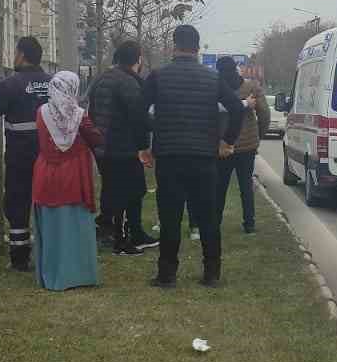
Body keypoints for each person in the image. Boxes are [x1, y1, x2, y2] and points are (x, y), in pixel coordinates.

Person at [141, 24, 244, 288]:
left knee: (170, 216)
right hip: (204, 157)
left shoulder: (158, 76)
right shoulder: (212, 78)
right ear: (198, 48)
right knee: (208, 217)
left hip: (169, 156)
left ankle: (167, 274)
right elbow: (236, 108)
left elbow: (138, 111)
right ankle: (211, 273)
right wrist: (227, 141)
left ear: (174, 45)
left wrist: (147, 142)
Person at [0, 37, 52, 272]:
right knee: (50, 202)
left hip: (20, 156)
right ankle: (50, 251)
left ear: (21, 55)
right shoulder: (53, 83)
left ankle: (20, 258)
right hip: (50, 156)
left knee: (17, 204)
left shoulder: (11, 84)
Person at [33, 71, 104, 290]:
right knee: (75, 226)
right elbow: (96, 138)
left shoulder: (41, 111)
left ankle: (52, 274)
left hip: (46, 173)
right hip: (74, 175)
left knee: (51, 227)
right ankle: (77, 275)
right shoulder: (79, 115)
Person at [89, 40, 157, 255]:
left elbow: (92, 112)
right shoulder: (128, 82)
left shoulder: (101, 79)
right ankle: (123, 240)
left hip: (102, 147)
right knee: (130, 192)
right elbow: (138, 116)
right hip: (121, 148)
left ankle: (126, 232)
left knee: (113, 191)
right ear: (138, 59)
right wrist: (157, 127)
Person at [213, 56, 271, 235]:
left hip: (223, 145)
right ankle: (249, 223)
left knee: (220, 186)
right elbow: (264, 114)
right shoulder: (252, 87)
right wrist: (258, 135)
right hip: (247, 146)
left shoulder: (217, 88)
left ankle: (216, 222)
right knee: (246, 185)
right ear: (236, 68)